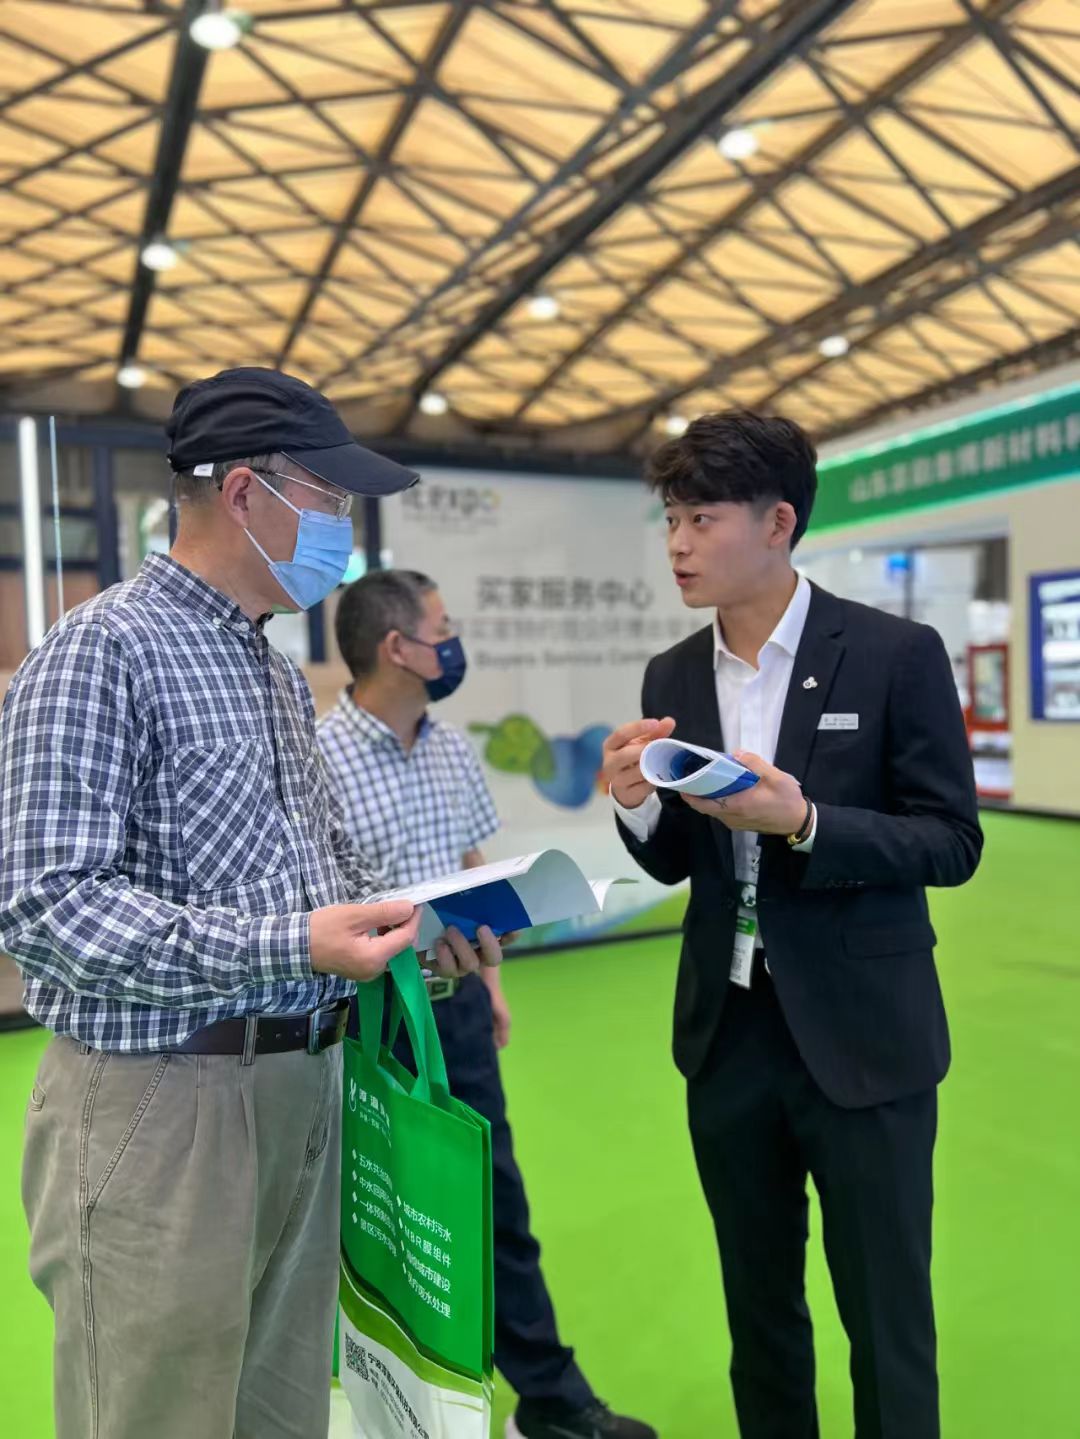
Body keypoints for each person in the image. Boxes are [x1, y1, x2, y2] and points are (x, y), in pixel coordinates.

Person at [0, 368, 504, 1439]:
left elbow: (316, 878)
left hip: (302, 1086)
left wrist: (414, 936)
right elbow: (47, 906)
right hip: (161, 1106)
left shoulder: (271, 673)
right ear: (243, 492)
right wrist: (297, 941)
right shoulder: (102, 649)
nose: (341, 530)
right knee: (154, 1414)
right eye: (329, 499)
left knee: (282, 1411)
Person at [602, 411, 983, 1439]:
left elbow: (951, 839)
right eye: (671, 519)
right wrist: (636, 804)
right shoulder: (673, 675)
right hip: (728, 1036)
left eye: (702, 519)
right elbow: (679, 860)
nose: (678, 543)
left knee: (886, 1317)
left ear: (778, 522)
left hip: (864, 1037)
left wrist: (806, 821)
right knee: (758, 1308)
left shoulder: (895, 654)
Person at [318, 570, 658, 1439]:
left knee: (490, 1199)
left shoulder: (450, 747)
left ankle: (550, 1402)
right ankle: (384, 1402)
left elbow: (472, 862)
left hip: (457, 1006)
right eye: (443, 629)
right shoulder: (319, 758)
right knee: (373, 1212)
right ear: (398, 648)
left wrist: (493, 985)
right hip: (365, 1021)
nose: (453, 641)